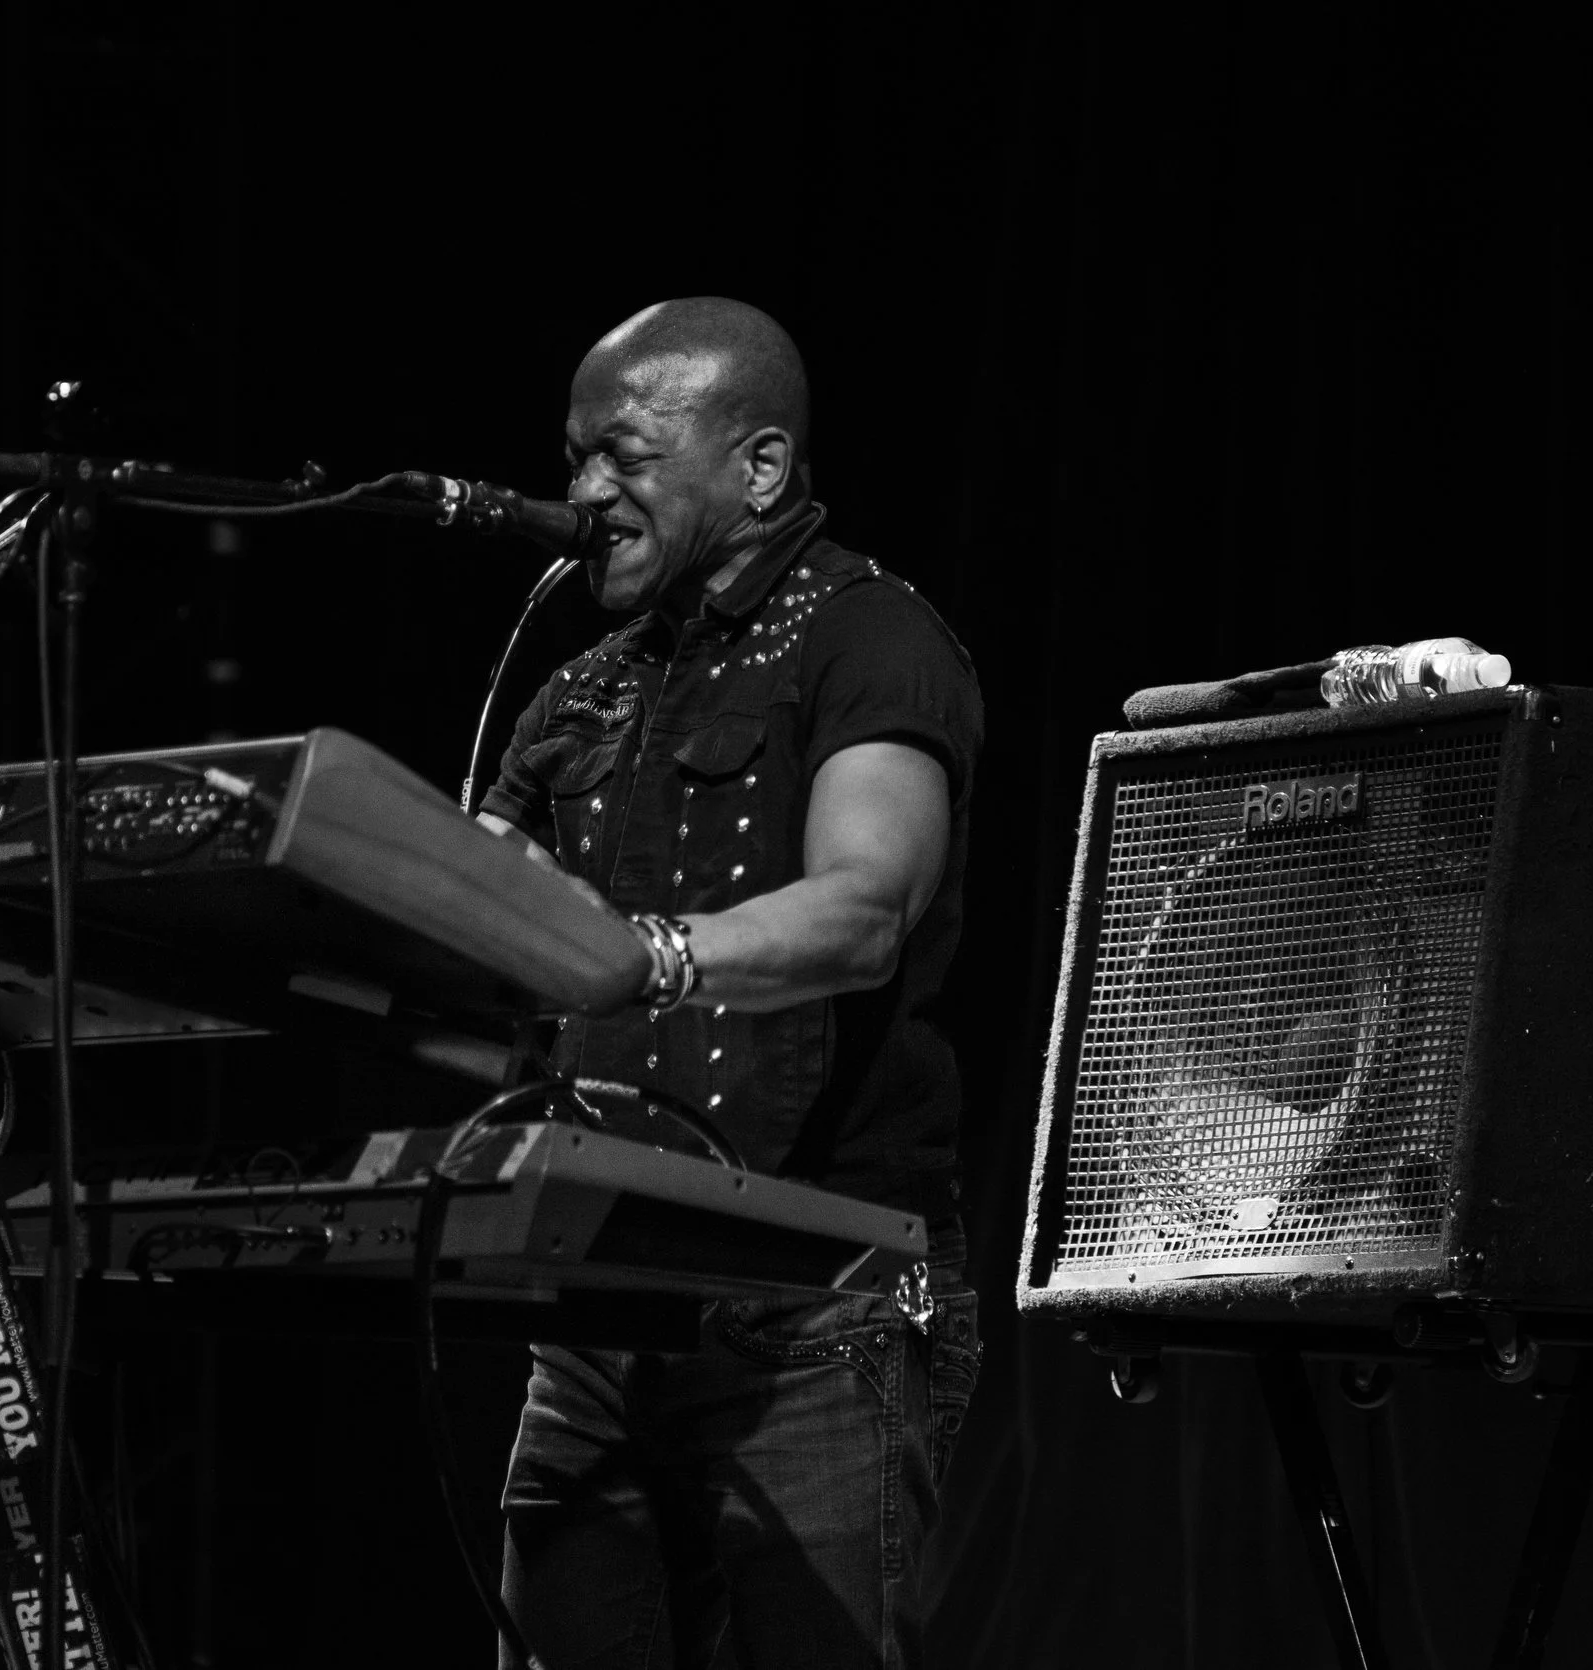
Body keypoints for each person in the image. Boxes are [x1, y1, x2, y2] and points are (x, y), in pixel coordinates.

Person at [475, 297, 985, 1668]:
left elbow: (865, 908)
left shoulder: (872, 638)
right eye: (576, 457)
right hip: (593, 1315)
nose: (584, 492)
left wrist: (652, 956)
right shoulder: (579, 691)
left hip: (818, 1306)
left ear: (758, 467)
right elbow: (467, 906)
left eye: (624, 456)